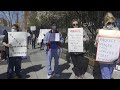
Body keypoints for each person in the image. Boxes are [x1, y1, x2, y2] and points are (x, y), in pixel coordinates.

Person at [94, 12, 119, 79]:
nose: (110, 24)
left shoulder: (117, 32)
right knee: (106, 76)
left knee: (109, 75)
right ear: (105, 22)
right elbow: (96, 44)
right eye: (109, 23)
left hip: (113, 59)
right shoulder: (101, 32)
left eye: (112, 23)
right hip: (104, 59)